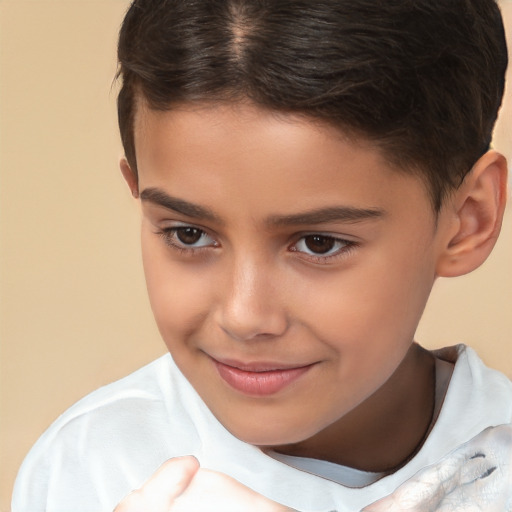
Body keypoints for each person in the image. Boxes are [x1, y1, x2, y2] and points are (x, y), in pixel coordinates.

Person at [11, 0, 512, 510]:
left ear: (467, 221)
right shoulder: (88, 469)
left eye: (319, 243)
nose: (244, 316)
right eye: (188, 234)